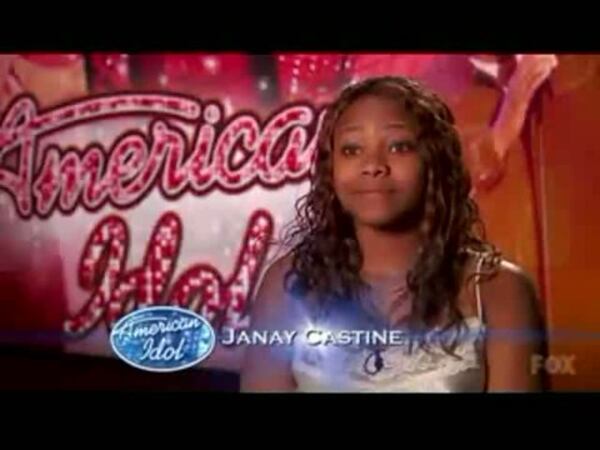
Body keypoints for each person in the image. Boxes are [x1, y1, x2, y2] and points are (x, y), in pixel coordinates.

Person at [240, 76, 545, 392]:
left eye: (399, 147)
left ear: (434, 160)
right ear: (330, 169)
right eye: (352, 150)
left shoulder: (499, 290)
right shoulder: (287, 284)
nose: (373, 165)